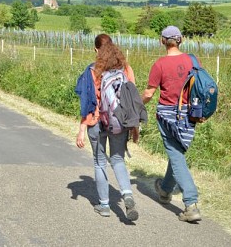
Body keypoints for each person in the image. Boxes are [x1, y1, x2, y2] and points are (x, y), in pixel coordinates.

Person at [75, 34, 139, 220]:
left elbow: (86, 102)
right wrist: (134, 126)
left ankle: (104, 205)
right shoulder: (125, 69)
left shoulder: (91, 70)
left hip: (95, 122)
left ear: (96, 50)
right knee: (118, 159)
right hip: (119, 122)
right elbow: (132, 99)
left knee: (99, 162)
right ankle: (127, 194)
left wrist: (81, 129)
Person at [142, 25, 202, 223]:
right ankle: (165, 191)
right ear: (181, 40)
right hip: (190, 115)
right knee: (176, 153)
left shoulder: (159, 64)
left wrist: (136, 105)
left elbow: (149, 93)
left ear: (162, 41)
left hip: (168, 116)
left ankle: (191, 203)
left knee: (175, 155)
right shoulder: (192, 60)